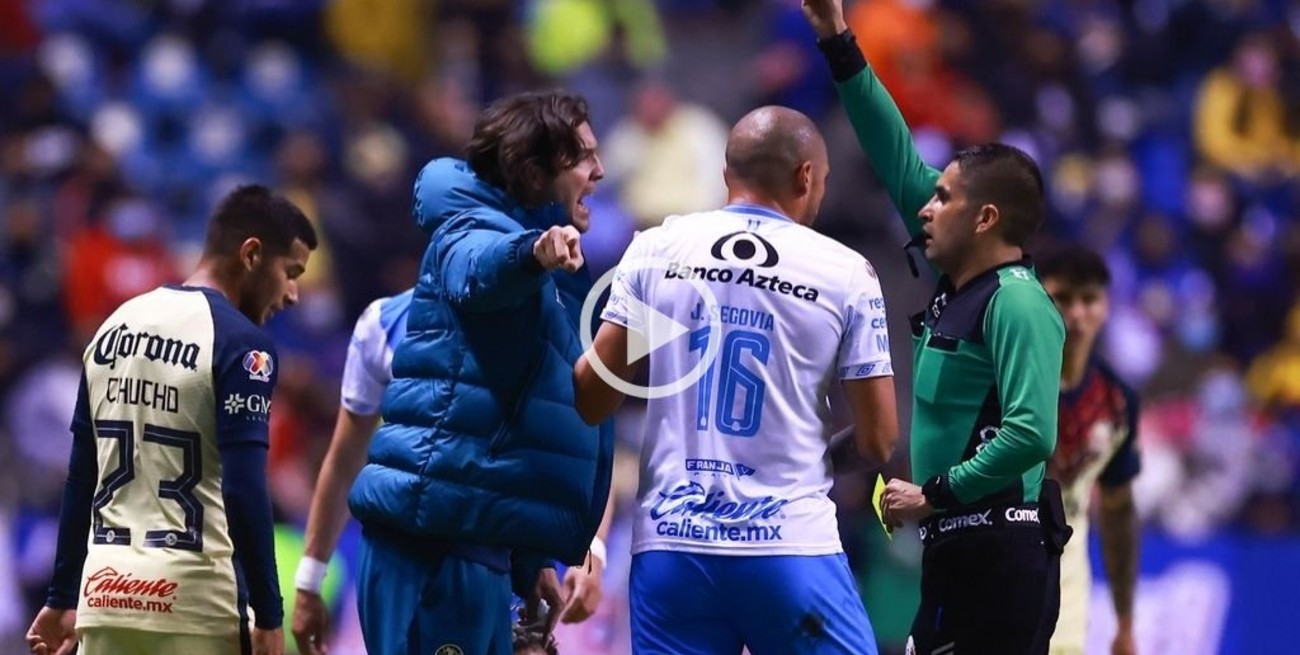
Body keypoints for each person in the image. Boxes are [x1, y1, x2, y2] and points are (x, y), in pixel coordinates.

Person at [574, 105, 899, 655]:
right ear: (805, 176)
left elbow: (593, 395)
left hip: (672, 551)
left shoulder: (660, 249)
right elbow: (879, 439)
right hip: (790, 548)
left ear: (726, 174)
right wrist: (822, 456)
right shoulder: (844, 272)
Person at [800, 2, 1069, 653]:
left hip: (1003, 553)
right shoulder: (959, 282)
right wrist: (838, 39)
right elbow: (889, 144)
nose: (927, 203)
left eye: (944, 195)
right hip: (956, 546)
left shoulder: (1020, 303)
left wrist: (933, 493)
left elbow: (1032, 434)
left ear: (985, 219)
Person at [345, 90, 617, 655]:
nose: (601, 170)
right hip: (436, 542)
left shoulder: (558, 274)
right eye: (583, 156)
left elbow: (521, 415)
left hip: (475, 538)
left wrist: (531, 559)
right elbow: (479, 274)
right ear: (536, 170)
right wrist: (532, 252)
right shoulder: (470, 230)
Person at [25, 185, 318, 655]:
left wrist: (62, 598)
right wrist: (268, 615)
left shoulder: (113, 326)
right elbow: (244, 489)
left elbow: (82, 476)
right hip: (195, 606)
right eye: (290, 273)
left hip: (105, 600)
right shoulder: (243, 345)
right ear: (252, 254)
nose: (293, 294)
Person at [290, 287, 614, 655]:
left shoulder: (538, 320)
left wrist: (582, 553)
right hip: (393, 551)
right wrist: (310, 578)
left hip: (483, 558)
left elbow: (585, 452)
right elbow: (345, 458)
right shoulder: (381, 322)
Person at [1036, 244, 1141, 655]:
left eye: (1089, 300)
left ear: (1106, 307)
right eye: (1062, 298)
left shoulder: (1116, 403)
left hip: (1069, 604)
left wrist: (1126, 621)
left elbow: (1118, 512)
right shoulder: (1002, 384)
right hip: (997, 588)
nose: (1076, 314)